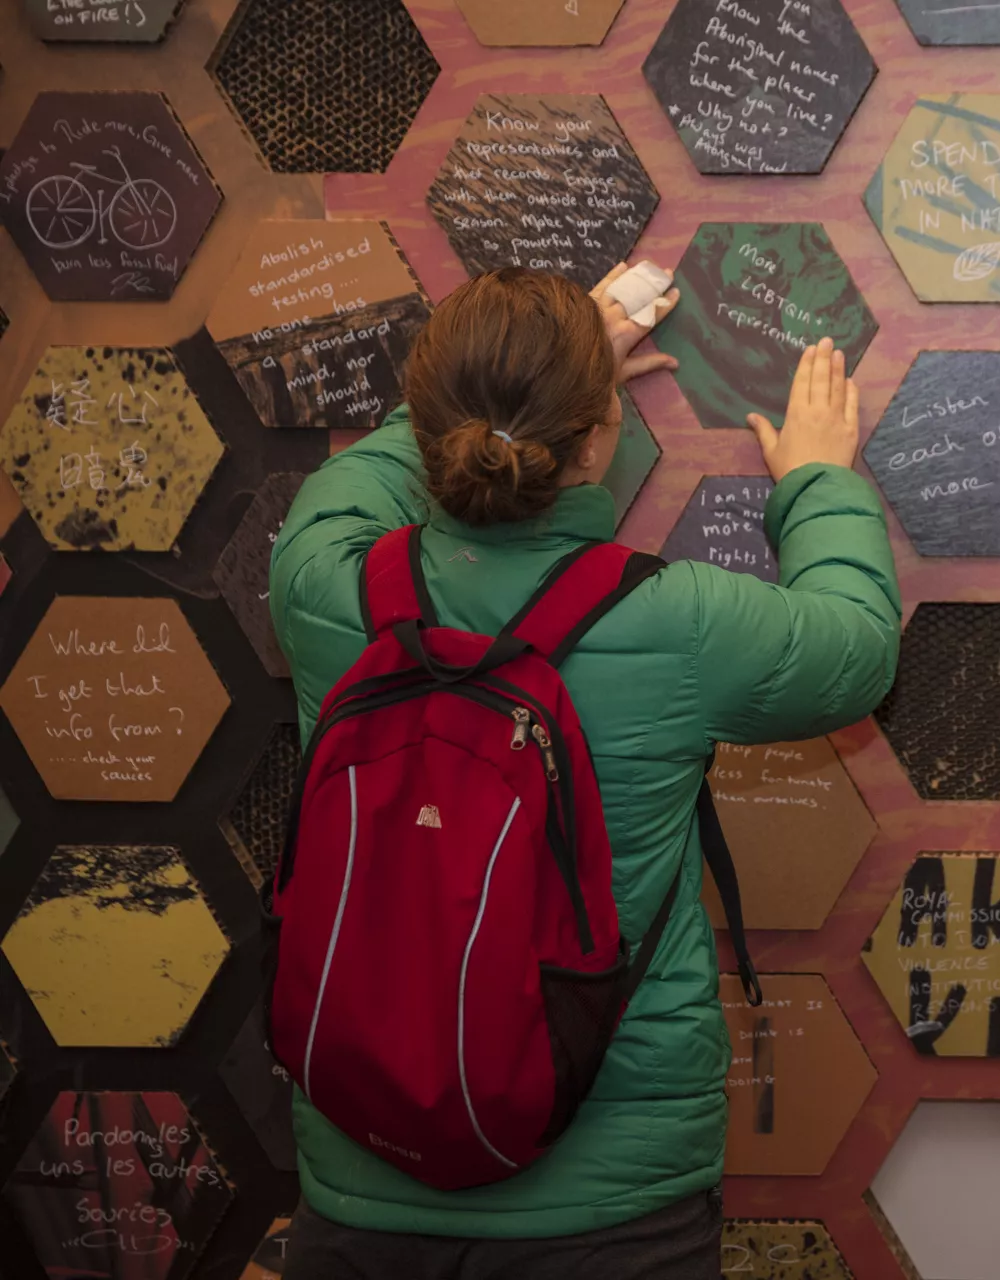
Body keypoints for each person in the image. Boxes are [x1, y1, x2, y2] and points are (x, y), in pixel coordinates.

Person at [267, 264, 900, 1278]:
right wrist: (818, 477)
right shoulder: (679, 618)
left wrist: (510, 390)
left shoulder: (320, 587)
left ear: (429, 423)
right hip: (613, 1211)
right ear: (603, 433)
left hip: (360, 1192)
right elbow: (859, 646)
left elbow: (352, 487)